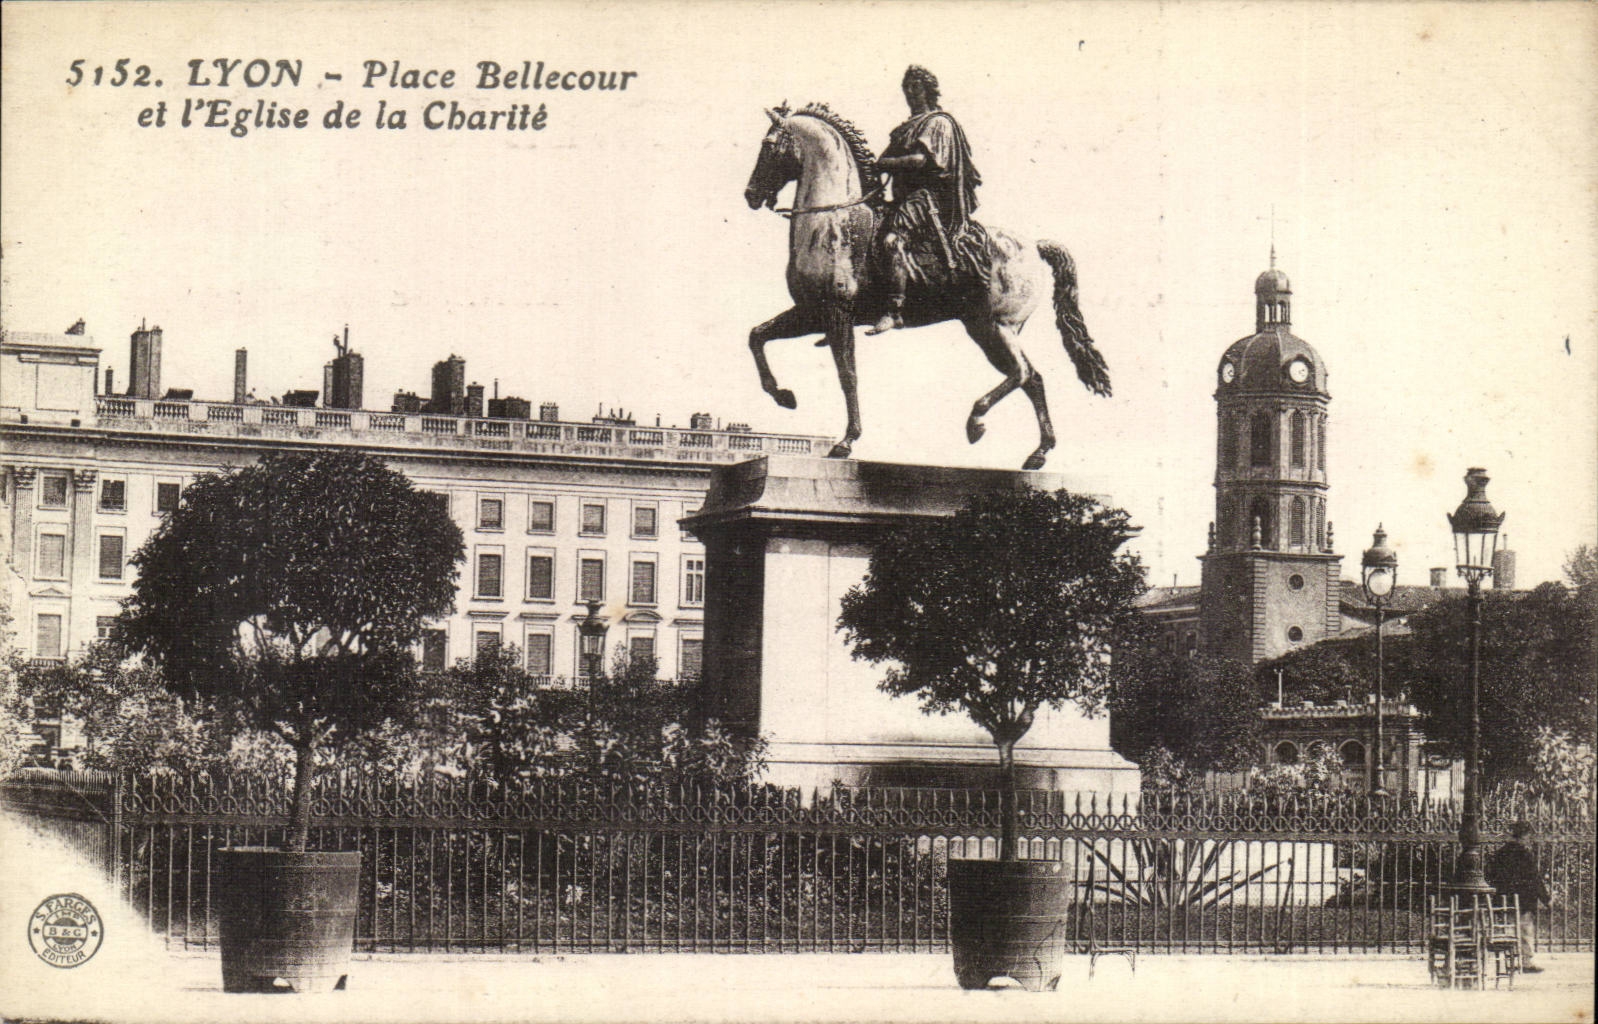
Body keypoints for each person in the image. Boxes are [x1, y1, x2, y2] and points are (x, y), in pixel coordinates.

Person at [867, 65, 982, 335]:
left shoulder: (937, 122)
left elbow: (921, 161)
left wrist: (886, 163)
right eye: (906, 87)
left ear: (928, 90)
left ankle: (895, 311)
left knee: (892, 241)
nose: (909, 92)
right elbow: (879, 162)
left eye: (915, 87)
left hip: (928, 198)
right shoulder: (904, 129)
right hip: (904, 198)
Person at [1485, 819, 1551, 973]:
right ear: (1524, 836)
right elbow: (1535, 879)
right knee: (1525, 930)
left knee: (1509, 928)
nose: (1529, 840)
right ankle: (1526, 962)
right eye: (1528, 836)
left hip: (1504, 898)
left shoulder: (1501, 853)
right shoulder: (1525, 854)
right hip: (1523, 899)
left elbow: (1491, 876)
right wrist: (1546, 899)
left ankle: (1511, 960)